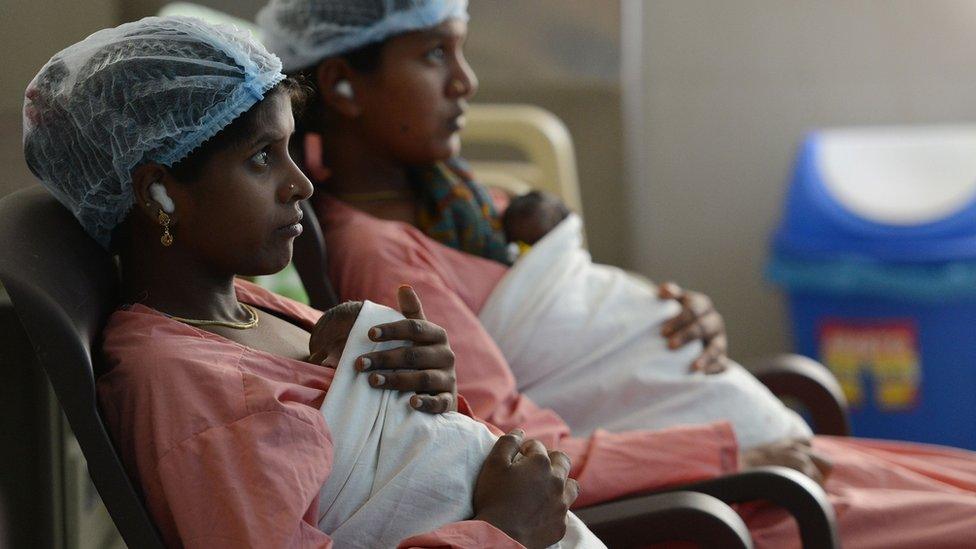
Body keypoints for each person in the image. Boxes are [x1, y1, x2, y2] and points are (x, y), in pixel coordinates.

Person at [257, 1, 976, 546]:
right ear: (344, 84)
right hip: (726, 495)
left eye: (462, 52)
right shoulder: (384, 257)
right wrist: (735, 449)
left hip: (762, 461)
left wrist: (672, 313)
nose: (466, 82)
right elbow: (512, 446)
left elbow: (583, 314)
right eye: (434, 56)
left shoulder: (468, 205)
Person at [22, 16, 593, 548]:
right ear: (158, 193)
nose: (301, 184)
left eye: (290, 149)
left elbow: (361, 457)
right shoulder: (195, 398)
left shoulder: (238, 306)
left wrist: (422, 393)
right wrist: (501, 529)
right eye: (261, 158)